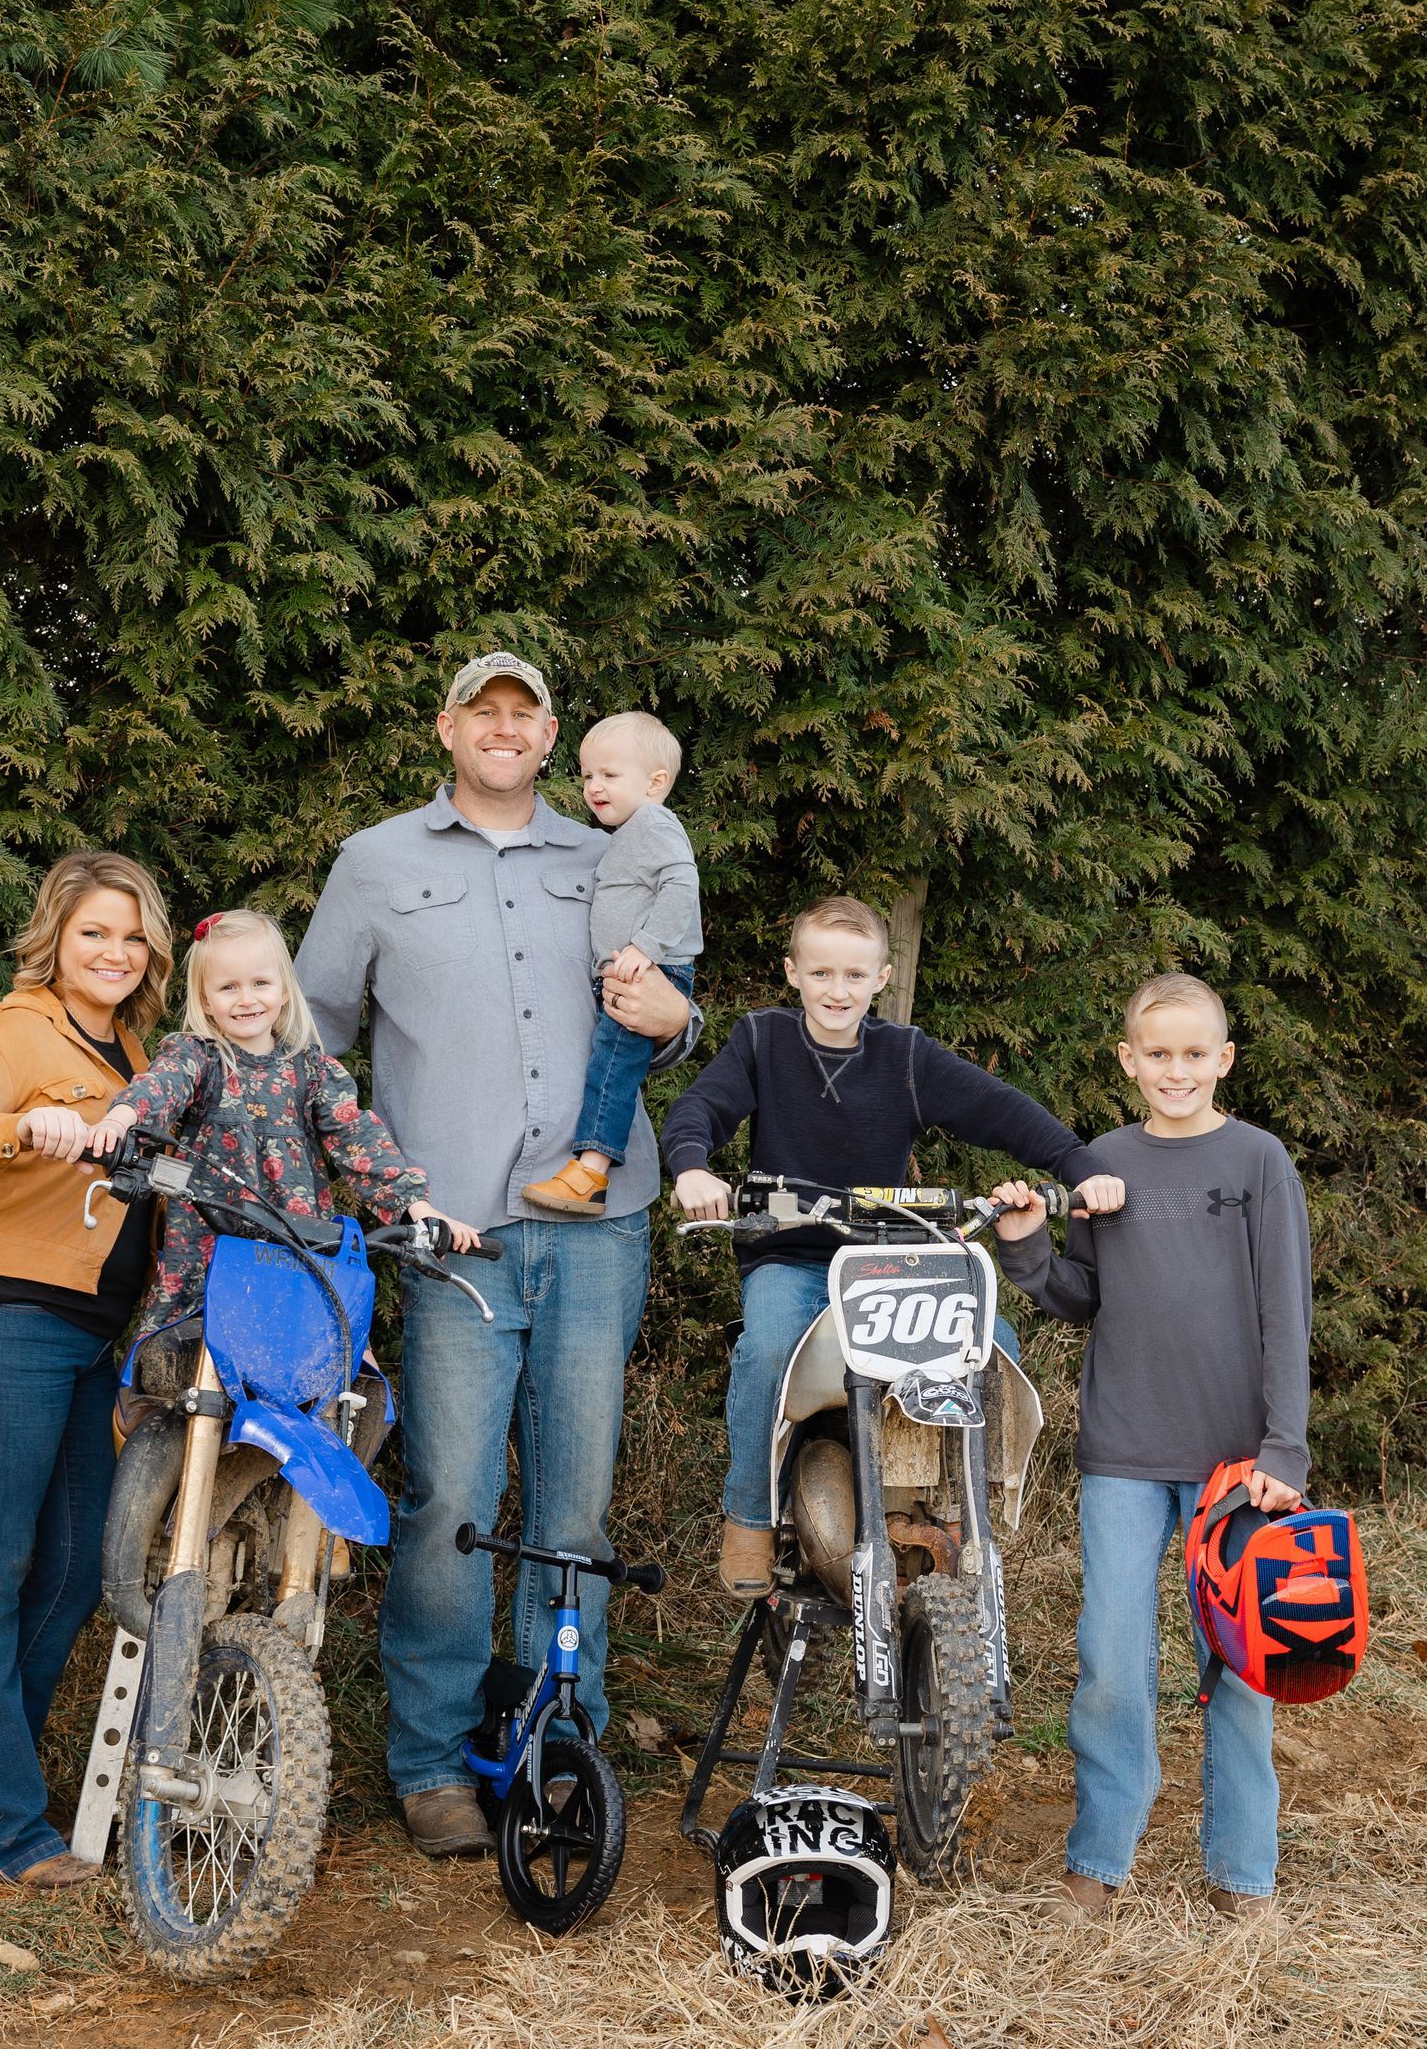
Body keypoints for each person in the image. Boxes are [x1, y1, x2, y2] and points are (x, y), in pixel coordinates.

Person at [295, 652, 696, 1858]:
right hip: (452, 1238)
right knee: (450, 1503)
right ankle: (431, 1766)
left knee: (572, 1507)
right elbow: (313, 1035)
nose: (506, 730)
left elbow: (667, 1017)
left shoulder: (613, 851)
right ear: (448, 729)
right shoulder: (374, 864)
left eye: (527, 715)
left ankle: (554, 1748)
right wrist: (361, 1179)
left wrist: (680, 1026)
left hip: (598, 1224)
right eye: (486, 712)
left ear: (556, 735)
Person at [661, 894, 1117, 1598]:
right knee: (767, 1348)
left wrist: (1079, 1168)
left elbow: (1003, 1110)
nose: (836, 990)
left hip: (887, 1261)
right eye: (820, 973)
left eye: (852, 975)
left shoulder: (905, 1058)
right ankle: (750, 1515)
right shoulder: (763, 1042)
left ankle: (963, 1516)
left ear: (881, 976)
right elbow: (701, 1107)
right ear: (792, 973)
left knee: (991, 1343)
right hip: (793, 1255)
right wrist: (693, 1164)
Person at [991, 971, 1309, 1922]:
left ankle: (1242, 1871)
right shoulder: (1101, 1163)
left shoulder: (1259, 1162)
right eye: (1157, 1054)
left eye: (1195, 1053)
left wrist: (1282, 1451)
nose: (1177, 1070)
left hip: (1237, 1465)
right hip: (1124, 1452)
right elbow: (1081, 1298)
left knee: (1243, 1668)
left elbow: (1285, 1315)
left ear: (1224, 1060)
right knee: (1113, 1663)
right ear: (1129, 1061)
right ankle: (1099, 1860)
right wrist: (1027, 1245)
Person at [0, 851, 175, 1888]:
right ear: (54, 937)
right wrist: (17, 1129)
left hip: (87, 1343)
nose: (112, 951)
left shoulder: (135, 1045)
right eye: (93, 931)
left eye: (131, 934)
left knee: (69, 1578)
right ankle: (2, 1828)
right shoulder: (13, 1032)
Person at [86, 908, 479, 1338]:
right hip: (208, 1248)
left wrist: (418, 1210)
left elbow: (357, 1138)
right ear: (204, 1000)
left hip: (296, 1250)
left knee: (315, 1357)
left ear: (284, 990)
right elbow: (162, 1085)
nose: (246, 999)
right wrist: (120, 1121)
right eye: (228, 987)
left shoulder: (312, 1070)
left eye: (260, 983)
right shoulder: (200, 1056)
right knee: (181, 1362)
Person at [522, 710, 701, 1216]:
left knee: (613, 1070)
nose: (594, 786)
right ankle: (589, 1170)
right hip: (633, 968)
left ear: (656, 782)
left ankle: (590, 1173)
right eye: (587, 775)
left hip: (650, 972)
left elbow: (682, 884)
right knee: (610, 1065)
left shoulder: (653, 822)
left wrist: (646, 948)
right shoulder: (628, 831)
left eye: (610, 774)